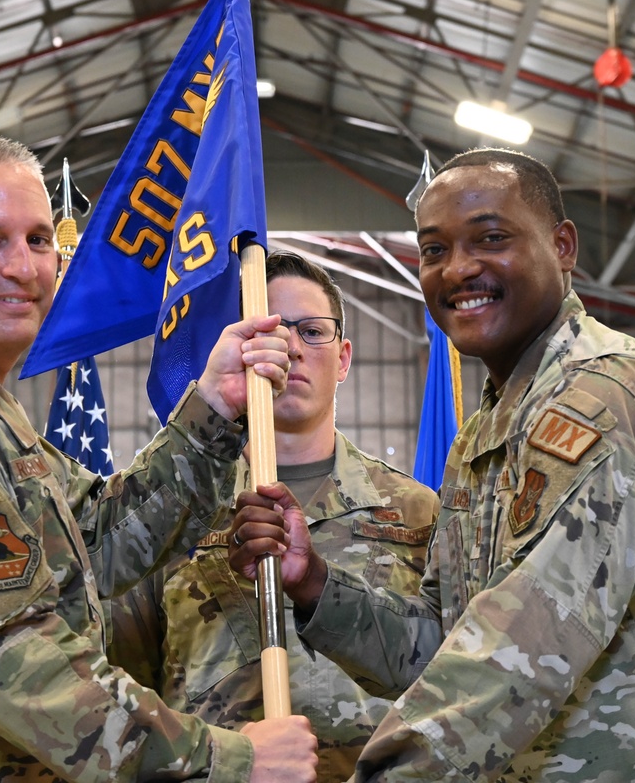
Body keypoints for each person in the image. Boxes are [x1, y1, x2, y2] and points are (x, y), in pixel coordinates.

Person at [229, 148, 635, 782]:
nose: (459, 269)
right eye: (434, 251)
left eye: (491, 238)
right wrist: (317, 585)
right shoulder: (481, 439)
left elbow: (525, 644)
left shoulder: (610, 398)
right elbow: (438, 650)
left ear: (563, 245)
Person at [0, 135, 318, 783]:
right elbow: (19, 664)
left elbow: (101, 540)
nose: (23, 267)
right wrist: (232, 761)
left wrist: (214, 403)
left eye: (40, 240)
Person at [108, 251, 440, 783]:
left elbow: (447, 672)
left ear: (346, 358)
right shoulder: (173, 509)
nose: (290, 347)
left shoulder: (416, 510)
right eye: (271, 330)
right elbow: (122, 682)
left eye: (313, 331)